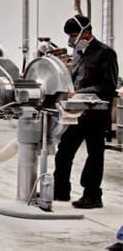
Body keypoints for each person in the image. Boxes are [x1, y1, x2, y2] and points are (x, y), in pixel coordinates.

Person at [54, 14, 117, 209]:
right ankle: (60, 190)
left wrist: (78, 93)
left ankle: (92, 195)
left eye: (74, 35)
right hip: (77, 113)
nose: (71, 40)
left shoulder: (106, 53)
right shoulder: (78, 55)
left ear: (86, 33)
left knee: (95, 155)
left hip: (96, 114)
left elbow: (108, 86)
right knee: (64, 151)